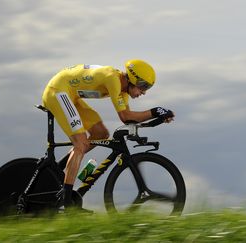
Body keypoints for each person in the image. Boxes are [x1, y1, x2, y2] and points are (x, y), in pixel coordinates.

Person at [41, 59, 175, 212]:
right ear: (132, 78)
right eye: (143, 86)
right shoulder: (113, 79)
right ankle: (66, 202)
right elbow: (124, 116)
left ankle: (59, 169)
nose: (143, 92)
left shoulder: (123, 92)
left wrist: (158, 117)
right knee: (81, 143)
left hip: (70, 94)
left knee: (101, 133)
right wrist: (154, 111)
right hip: (57, 91)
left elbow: (130, 118)